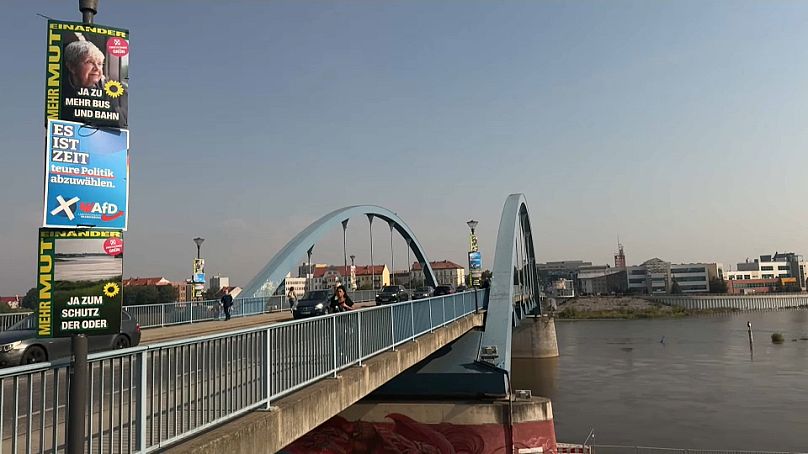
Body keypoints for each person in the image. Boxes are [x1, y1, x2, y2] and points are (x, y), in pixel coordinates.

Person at [62, 39, 128, 126]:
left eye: (100, 63)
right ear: (72, 67)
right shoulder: (59, 92)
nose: (97, 68)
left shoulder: (116, 93)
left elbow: (122, 127)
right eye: (89, 62)